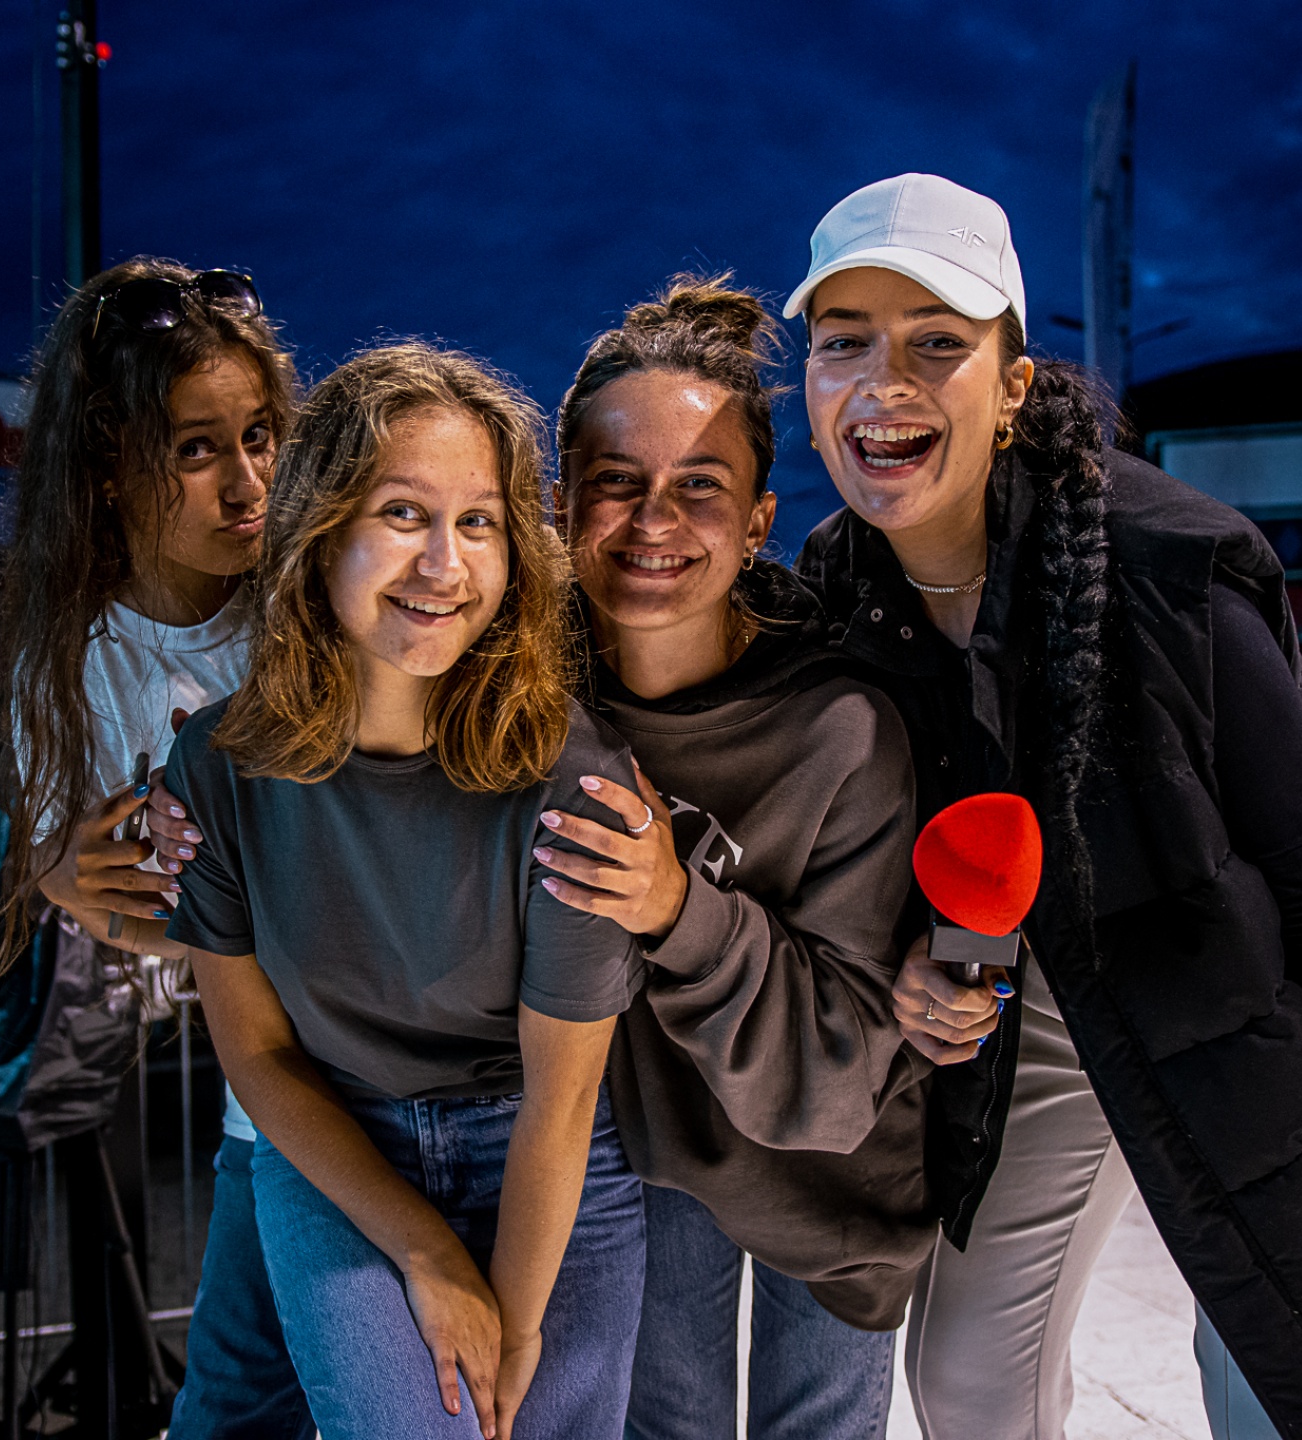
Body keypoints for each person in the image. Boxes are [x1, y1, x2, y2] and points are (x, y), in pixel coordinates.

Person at [787, 174, 1302, 1440]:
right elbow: (883, 857)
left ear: (1013, 385)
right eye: (844, 342)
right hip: (1042, 1034)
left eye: (936, 342)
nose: (884, 382)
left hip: (1246, 1019)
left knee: (1278, 1386)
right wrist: (911, 975)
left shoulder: (1166, 564)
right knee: (967, 1390)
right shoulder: (835, 591)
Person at [164, 344, 648, 1440]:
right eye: (402, 514)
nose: (444, 563)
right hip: (339, 1143)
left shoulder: (571, 777)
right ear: (319, 529)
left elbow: (562, 1097)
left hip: (541, 1152)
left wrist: (513, 1329)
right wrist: (427, 1255)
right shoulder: (217, 770)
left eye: (478, 522)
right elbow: (259, 1056)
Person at [539, 276, 929, 1439]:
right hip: (649, 1164)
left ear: (758, 521)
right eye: (617, 482)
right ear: (560, 505)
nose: (654, 521)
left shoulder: (842, 729)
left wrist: (678, 907)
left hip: (834, 1183)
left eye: (699, 487)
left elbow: (843, 1058)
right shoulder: (520, 705)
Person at [0, 256, 312, 1440]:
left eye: (261, 438)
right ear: (110, 468)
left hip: (393, 1070)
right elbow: (94, 892)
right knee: (238, 1398)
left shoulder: (316, 605)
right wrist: (69, 877)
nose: (249, 483)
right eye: (196, 449)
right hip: (277, 1095)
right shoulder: (70, 663)